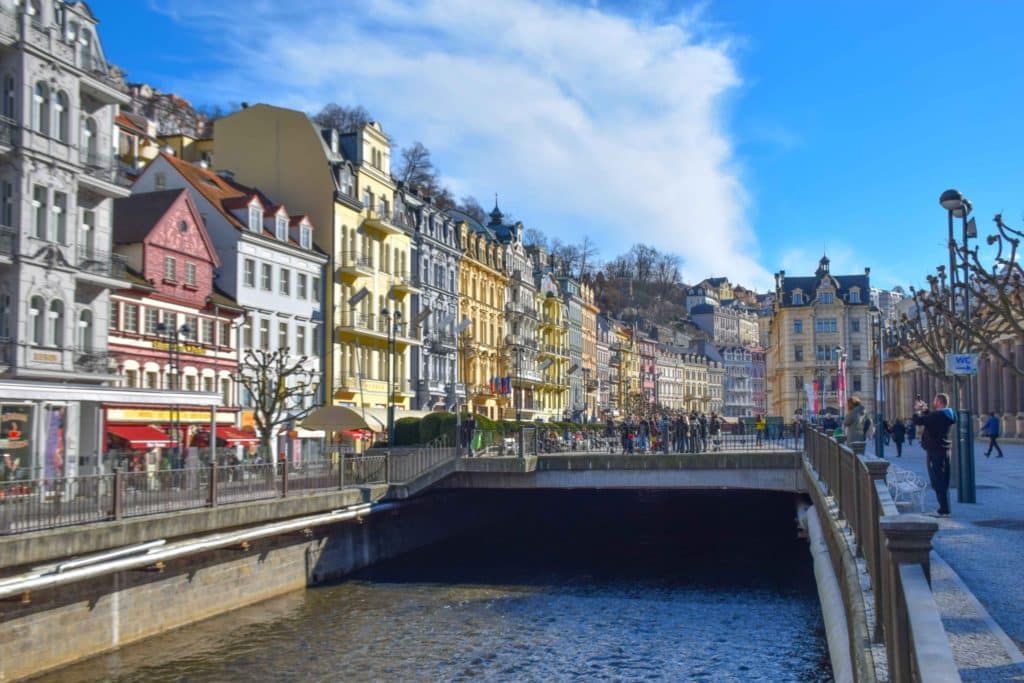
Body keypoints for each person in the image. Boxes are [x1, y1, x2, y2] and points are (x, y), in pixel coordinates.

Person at [913, 393, 956, 517]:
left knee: (937, 480)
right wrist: (926, 411)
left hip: (935, 451)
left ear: (939, 402)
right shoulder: (948, 414)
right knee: (943, 479)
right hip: (944, 449)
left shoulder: (937, 415)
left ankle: (944, 509)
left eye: (935, 400)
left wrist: (917, 410)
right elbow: (932, 420)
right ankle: (944, 507)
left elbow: (918, 421)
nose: (933, 402)